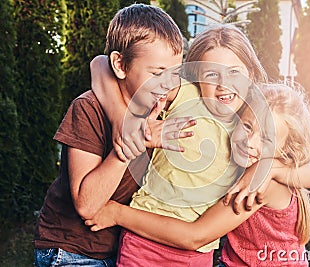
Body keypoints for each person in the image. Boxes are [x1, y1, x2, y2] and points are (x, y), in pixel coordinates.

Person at [89, 24, 310, 266]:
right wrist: (120, 120)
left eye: (234, 72)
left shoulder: (259, 134)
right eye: (211, 74)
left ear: (250, 74)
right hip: (150, 247)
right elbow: (100, 64)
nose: (223, 84)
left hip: (196, 250)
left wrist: (271, 168)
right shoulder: (194, 100)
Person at [33, 4, 195, 266]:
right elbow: (87, 205)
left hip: (120, 247)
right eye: (156, 73)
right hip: (70, 248)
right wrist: (130, 145)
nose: (168, 84)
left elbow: (99, 63)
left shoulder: (159, 103)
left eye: (175, 73)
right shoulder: (88, 109)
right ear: (120, 64)